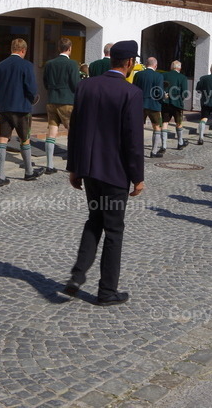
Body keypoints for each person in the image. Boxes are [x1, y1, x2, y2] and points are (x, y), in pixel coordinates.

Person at [62, 40, 144, 306]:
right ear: (130, 63)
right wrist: (138, 176)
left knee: (94, 220)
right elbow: (133, 140)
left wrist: (74, 167)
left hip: (89, 171)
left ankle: (77, 274)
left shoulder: (86, 86)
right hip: (114, 172)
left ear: (112, 60)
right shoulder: (130, 93)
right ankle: (107, 291)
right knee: (114, 230)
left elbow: (75, 129)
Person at [0, 38, 41, 183]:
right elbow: (31, 88)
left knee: (3, 137)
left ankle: (1, 176)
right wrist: (33, 98)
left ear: (11, 49)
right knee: (25, 138)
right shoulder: (26, 65)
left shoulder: (0, 65)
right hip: (21, 107)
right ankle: (29, 171)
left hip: (4, 107)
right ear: (23, 50)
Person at [42, 37, 80, 174]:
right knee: (73, 132)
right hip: (67, 101)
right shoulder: (72, 64)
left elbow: (45, 82)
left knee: (51, 132)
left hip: (52, 100)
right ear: (70, 48)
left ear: (59, 48)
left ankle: (49, 165)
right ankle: (72, 164)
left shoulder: (49, 63)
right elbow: (76, 84)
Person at [132, 57, 166, 157]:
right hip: (154, 105)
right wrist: (164, 96)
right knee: (156, 127)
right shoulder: (158, 76)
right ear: (155, 66)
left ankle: (136, 150)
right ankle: (154, 151)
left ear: (146, 64)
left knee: (139, 127)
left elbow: (134, 89)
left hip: (140, 104)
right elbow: (159, 92)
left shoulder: (138, 74)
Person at [161, 60, 189, 149]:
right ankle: (180, 142)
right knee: (179, 122)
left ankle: (164, 145)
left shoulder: (164, 75)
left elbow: (160, 88)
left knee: (165, 123)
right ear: (179, 68)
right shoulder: (182, 77)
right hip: (177, 103)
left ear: (171, 67)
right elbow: (185, 93)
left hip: (166, 102)